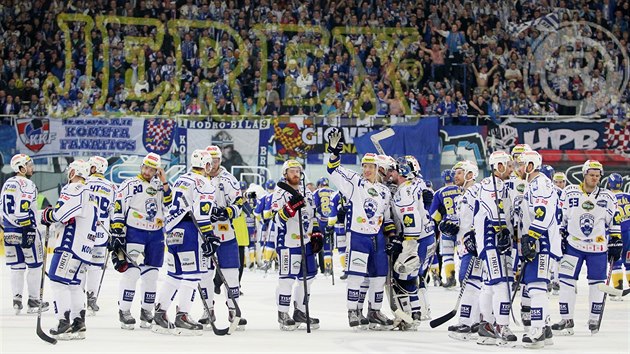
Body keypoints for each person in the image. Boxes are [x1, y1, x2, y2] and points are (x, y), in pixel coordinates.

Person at [326, 128, 396, 329]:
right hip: (358, 236)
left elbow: (387, 217)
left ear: (378, 168)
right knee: (356, 276)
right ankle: (353, 311)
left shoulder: (384, 192)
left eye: (370, 167)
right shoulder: (355, 183)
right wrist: (334, 153)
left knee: (379, 276)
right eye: (364, 166)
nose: (366, 170)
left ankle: (374, 311)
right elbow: (333, 170)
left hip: (377, 238)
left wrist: (393, 238)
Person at [152, 149, 218, 335]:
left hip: (172, 231)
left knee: (174, 275)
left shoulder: (182, 179)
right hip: (189, 232)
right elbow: (201, 214)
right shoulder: (205, 183)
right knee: (193, 275)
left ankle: (160, 313)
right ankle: (182, 316)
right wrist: (210, 236)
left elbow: (169, 202)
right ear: (206, 165)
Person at [553, 160, 622, 335]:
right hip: (573, 245)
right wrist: (560, 234)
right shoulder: (569, 192)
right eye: (591, 175)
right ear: (584, 174)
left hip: (598, 248)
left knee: (597, 284)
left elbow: (614, 220)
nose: (595, 178)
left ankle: (593, 318)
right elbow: (562, 216)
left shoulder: (607, 197)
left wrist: (615, 239)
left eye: (598, 176)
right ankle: (566, 319)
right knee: (566, 282)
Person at [111, 153, 171, 329]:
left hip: (156, 233)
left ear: (157, 171)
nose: (147, 171)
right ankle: (124, 310)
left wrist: (165, 181)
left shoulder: (161, 185)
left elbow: (169, 202)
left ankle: (146, 310)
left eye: (151, 169)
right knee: (132, 272)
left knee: (152, 274)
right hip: (135, 231)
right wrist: (116, 230)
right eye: (145, 167)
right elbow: (118, 206)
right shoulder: (130, 184)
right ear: (141, 166)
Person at [41, 160, 97, 340]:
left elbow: (60, 214)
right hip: (85, 248)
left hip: (69, 245)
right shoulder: (91, 193)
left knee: (58, 282)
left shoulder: (74, 188)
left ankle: (63, 323)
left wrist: (47, 214)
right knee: (73, 284)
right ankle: (78, 323)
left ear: (73, 172)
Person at [198, 145, 247, 329]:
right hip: (202, 233)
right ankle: (207, 309)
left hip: (225, 232)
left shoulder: (229, 179)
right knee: (204, 274)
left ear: (220, 160)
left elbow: (239, 203)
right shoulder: (197, 178)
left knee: (232, 274)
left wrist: (227, 211)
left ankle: (233, 309)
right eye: (210, 160)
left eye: (216, 160)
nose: (213, 164)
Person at [271, 159, 323, 330]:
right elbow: (276, 219)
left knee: (308, 278)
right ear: (285, 174)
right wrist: (290, 207)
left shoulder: (307, 191)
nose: (295, 174)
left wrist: (316, 233)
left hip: (305, 241)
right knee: (287, 279)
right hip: (288, 242)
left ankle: (300, 311)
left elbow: (313, 214)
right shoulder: (280, 193)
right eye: (292, 171)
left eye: (298, 171)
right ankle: (283, 313)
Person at [474, 151, 517, 346]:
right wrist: (502, 231)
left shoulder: (501, 185)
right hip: (492, 240)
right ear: (498, 166)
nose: (511, 169)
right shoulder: (489, 184)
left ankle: (486, 325)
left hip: (498, 239)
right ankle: (502, 325)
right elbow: (493, 211)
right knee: (501, 282)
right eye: (508, 165)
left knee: (490, 284)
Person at [517, 150, 559, 348]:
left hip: (541, 240)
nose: (518, 167)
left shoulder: (540, 183)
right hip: (536, 239)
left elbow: (543, 213)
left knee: (537, 286)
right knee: (534, 284)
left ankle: (537, 331)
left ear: (531, 165)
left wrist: (532, 237)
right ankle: (546, 328)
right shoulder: (532, 183)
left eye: (521, 163)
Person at [389, 155, 437, 330]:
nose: (389, 173)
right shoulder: (416, 183)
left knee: (401, 275)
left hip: (417, 239)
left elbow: (411, 218)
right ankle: (416, 312)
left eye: (392, 170)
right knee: (412, 277)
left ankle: (409, 316)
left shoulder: (404, 192)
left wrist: (409, 245)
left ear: (402, 171)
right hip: (427, 236)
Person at [1, 154, 49, 314]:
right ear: (21, 168)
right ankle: (34, 302)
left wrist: (6, 227)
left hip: (9, 230)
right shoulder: (27, 183)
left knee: (17, 267)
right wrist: (27, 227)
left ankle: (17, 300)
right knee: (35, 266)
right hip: (26, 229)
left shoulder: (7, 183)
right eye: (29, 165)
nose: (32, 167)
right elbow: (22, 208)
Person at [444, 160, 483, 340]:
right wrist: (449, 225)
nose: (455, 176)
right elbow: (461, 221)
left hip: (474, 246)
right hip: (463, 247)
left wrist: (477, 237)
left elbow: (481, 217)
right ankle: (476, 321)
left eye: (459, 172)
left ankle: (467, 323)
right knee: (470, 282)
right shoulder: (462, 196)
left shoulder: (477, 192)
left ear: (469, 174)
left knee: (471, 282)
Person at [84, 156, 115, 314]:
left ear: (94, 168)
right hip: (102, 233)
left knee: (81, 265)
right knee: (96, 266)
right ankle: (92, 297)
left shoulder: (84, 183)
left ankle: (77, 295)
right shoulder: (111, 186)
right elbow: (113, 211)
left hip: (84, 231)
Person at [430, 169, 462, 288]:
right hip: (461, 226)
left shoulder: (439, 192)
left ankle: (450, 278)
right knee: (463, 254)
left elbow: (432, 213)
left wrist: (441, 218)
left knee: (447, 255)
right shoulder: (461, 189)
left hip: (446, 226)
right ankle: (464, 278)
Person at [608, 173, 630, 299]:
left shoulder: (608, 197)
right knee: (628, 261)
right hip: (629, 232)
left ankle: (618, 289)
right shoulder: (628, 196)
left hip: (616, 232)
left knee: (615, 259)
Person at [312, 177, 335, 275]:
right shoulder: (334, 192)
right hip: (330, 222)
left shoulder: (316, 193)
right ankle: (328, 268)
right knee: (328, 246)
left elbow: (313, 207)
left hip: (319, 222)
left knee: (314, 245)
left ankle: (313, 266)